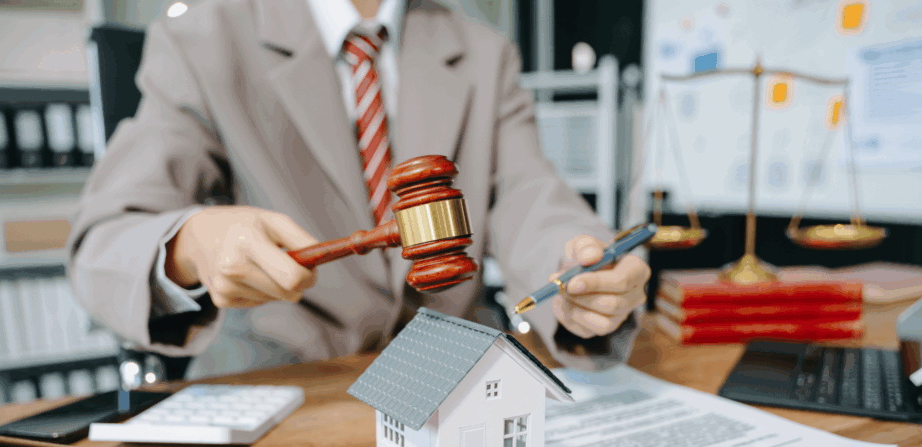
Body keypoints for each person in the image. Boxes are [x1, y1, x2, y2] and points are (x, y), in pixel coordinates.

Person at [69, 0, 651, 378]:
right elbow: (105, 239)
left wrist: (581, 268)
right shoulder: (201, 38)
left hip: (452, 372)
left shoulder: (484, 53)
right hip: (289, 377)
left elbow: (528, 196)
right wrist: (189, 243)